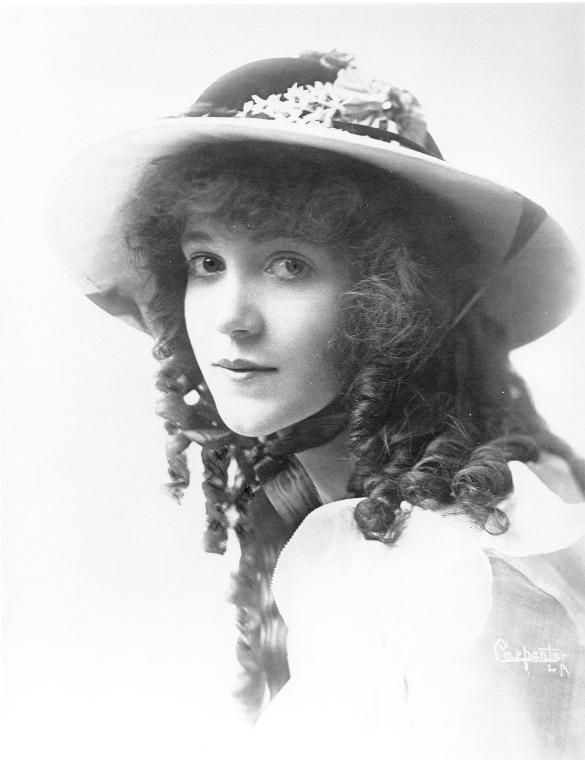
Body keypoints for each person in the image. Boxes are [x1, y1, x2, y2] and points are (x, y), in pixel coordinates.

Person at [52, 50, 585, 758]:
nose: (231, 318)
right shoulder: (344, 535)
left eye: (288, 266)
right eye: (206, 263)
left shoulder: (458, 568)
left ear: (393, 303)